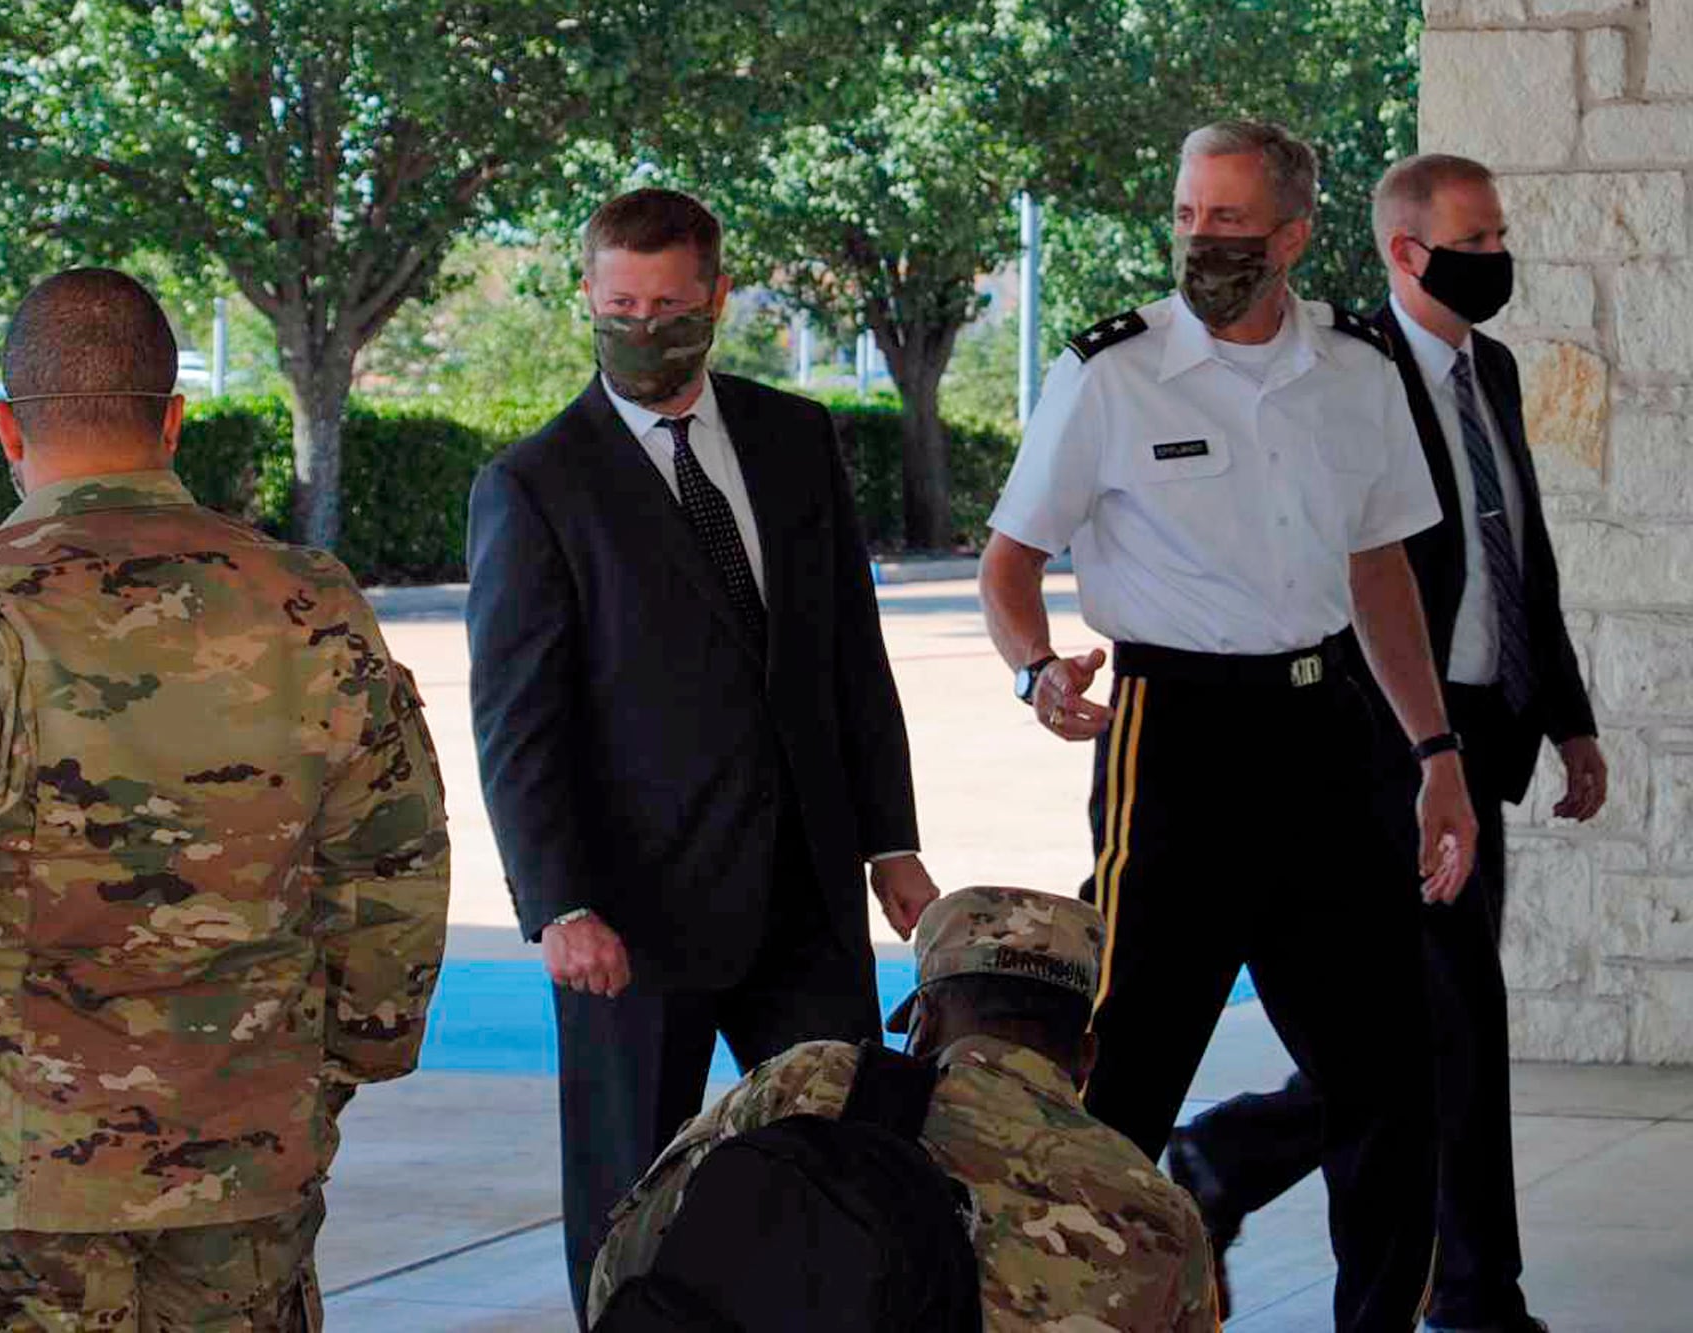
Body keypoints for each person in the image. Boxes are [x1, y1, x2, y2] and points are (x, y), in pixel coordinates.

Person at [0, 267, 451, 1331]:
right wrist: (322, 1073)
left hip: (11, 1193)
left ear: (7, 430)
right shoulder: (315, 607)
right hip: (244, 1184)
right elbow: (393, 874)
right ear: (173, 420)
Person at [977, 120, 1478, 1333]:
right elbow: (1009, 563)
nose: (1201, 242)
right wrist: (1036, 670)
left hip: (1328, 740)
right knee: (1130, 1070)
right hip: (1172, 737)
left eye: (1230, 223)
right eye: (1187, 217)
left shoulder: (1356, 375)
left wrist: (1435, 754)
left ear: (1293, 236)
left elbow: (1379, 576)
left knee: (1389, 1077)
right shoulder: (1109, 373)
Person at [464, 187, 940, 1322]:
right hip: (631, 924)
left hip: (803, 898)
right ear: (586, 297)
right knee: (630, 1203)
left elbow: (848, 661)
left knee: (843, 1169)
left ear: (717, 299)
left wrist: (891, 841)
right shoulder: (536, 485)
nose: (643, 326)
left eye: (669, 306)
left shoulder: (794, 437)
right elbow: (517, 721)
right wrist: (558, 901)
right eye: (619, 304)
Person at [1168, 154, 1607, 1333]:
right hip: (1380, 747)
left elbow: (1517, 553)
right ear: (1404, 250)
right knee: (1442, 1022)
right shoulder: (1346, 369)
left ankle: (1234, 1160)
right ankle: (1462, 1288)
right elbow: (1336, 570)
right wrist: (1418, 750)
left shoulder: (1490, 368)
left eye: (1498, 230)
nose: (1495, 252)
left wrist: (1563, 716)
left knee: (1446, 1023)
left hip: (1481, 731)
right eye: (1475, 234)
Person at [586, 886, 1220, 1331]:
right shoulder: (1158, 1210)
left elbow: (621, 1272)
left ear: (923, 1022)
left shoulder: (811, 1084)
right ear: (1085, 1057)